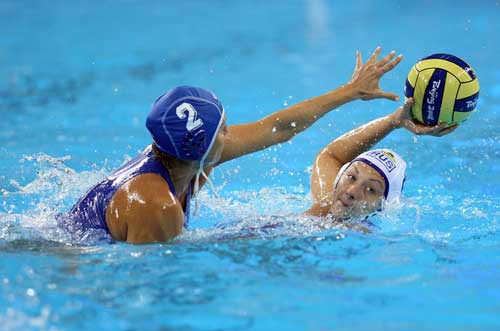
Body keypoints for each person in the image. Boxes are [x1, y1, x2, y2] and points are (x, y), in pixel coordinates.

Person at [66, 47, 404, 244]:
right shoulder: (154, 206)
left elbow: (277, 128)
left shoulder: (182, 155)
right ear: (204, 149)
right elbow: (146, 287)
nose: (231, 135)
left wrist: (350, 91)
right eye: (223, 131)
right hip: (71, 261)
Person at [304, 97, 457, 229]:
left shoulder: (359, 235)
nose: (351, 192)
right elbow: (330, 155)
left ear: (382, 206)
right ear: (339, 177)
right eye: (352, 177)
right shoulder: (327, 200)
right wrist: (393, 121)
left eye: (371, 189)